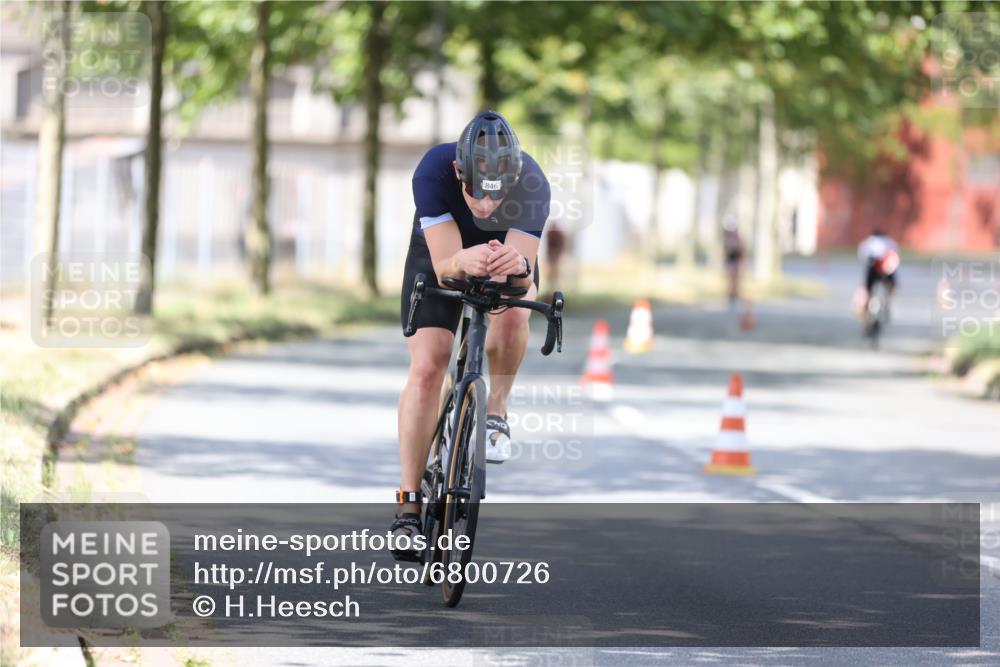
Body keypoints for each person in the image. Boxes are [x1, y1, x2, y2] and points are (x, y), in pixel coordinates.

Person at [391, 111, 550, 555]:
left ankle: (495, 410)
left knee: (516, 311)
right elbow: (444, 268)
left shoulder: (532, 183)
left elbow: (525, 282)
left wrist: (517, 269)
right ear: (460, 172)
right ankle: (407, 505)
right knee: (428, 366)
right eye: (475, 193)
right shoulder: (434, 171)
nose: (484, 207)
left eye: (495, 198)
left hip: (504, 252)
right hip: (441, 251)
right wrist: (463, 260)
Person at [857, 228, 900, 317]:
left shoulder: (868, 242)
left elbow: (862, 254)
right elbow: (895, 255)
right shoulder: (890, 242)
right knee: (890, 286)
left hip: (878, 268)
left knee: (869, 288)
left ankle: (869, 304)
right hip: (885, 268)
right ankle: (888, 302)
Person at [722, 214, 744, 308]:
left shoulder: (737, 235)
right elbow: (725, 248)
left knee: (736, 277)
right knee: (731, 277)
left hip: (736, 257)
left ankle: (735, 293)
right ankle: (731, 294)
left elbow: (741, 247)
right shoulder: (727, 235)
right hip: (730, 257)